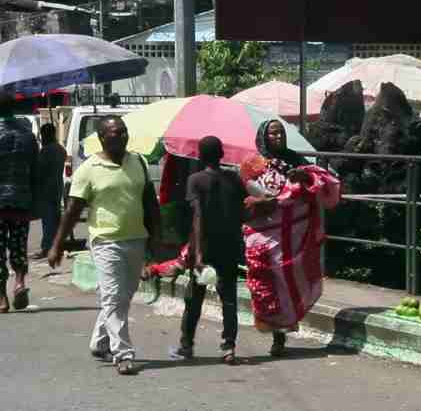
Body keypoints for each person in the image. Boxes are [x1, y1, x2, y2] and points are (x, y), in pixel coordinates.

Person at [48, 116, 161, 375]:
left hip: (136, 238)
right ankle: (122, 353)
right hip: (105, 241)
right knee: (112, 297)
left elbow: (150, 204)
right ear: (102, 138)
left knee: (123, 297)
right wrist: (57, 244)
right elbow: (73, 210)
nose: (122, 136)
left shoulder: (139, 162)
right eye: (115, 133)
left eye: (124, 132)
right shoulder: (89, 169)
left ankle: (99, 341)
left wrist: (156, 239)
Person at [239, 120, 340, 355]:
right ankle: (274, 331)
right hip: (263, 233)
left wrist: (302, 178)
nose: (278, 137)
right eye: (273, 133)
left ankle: (281, 336)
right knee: (267, 282)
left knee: (288, 283)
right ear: (264, 136)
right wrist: (262, 201)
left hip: (293, 234)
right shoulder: (251, 163)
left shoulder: (295, 160)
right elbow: (244, 192)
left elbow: (316, 183)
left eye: (281, 132)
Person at [168, 136, 246, 364]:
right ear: (222, 154)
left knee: (194, 299)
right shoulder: (233, 179)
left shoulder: (196, 180)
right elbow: (243, 209)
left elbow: (198, 216)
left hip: (206, 246)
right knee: (229, 298)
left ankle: (186, 345)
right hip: (230, 245)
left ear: (200, 156)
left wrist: (198, 253)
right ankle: (228, 346)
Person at [0, 87, 38, 313]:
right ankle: (20, 282)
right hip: (22, 199)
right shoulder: (27, 135)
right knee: (19, 245)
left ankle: (2, 299)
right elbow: (35, 169)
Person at [32, 123, 66, 259]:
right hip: (57, 188)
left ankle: (47, 247)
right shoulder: (60, 149)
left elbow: (39, 170)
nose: (42, 138)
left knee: (48, 221)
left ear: (47, 135)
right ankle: (57, 245)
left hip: (47, 189)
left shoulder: (46, 151)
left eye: (43, 135)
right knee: (55, 219)